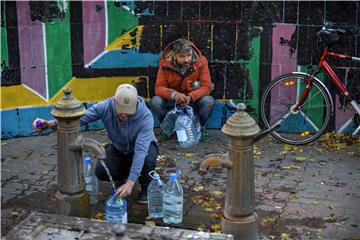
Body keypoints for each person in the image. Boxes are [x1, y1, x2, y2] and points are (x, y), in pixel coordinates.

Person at [32, 84, 158, 204]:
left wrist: (131, 182)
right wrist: (49, 124)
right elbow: (78, 120)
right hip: (119, 148)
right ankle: (121, 178)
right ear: (114, 102)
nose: (124, 116)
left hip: (144, 148)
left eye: (128, 113)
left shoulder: (145, 117)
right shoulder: (105, 107)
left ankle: (146, 186)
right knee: (102, 172)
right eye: (120, 112)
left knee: (147, 160)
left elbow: (140, 150)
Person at [151, 38, 215, 141]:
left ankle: (200, 127)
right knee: (155, 101)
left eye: (188, 55)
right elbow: (158, 88)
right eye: (182, 56)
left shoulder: (201, 61)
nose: (187, 59)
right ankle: (167, 129)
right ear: (174, 55)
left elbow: (206, 86)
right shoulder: (165, 63)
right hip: (173, 101)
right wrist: (175, 95)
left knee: (209, 101)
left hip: (193, 100)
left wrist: (191, 97)